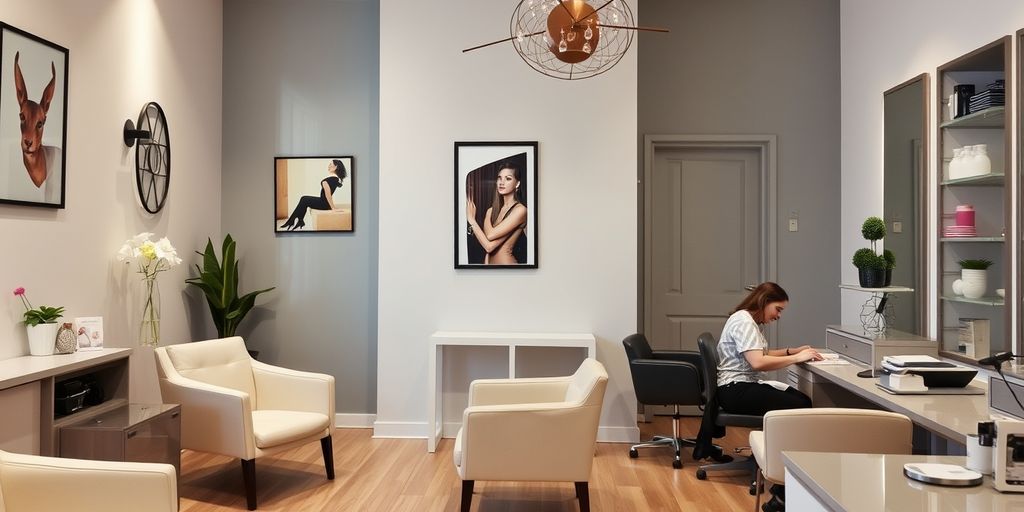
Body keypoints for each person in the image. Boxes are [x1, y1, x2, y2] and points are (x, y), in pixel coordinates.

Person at [715, 281, 821, 512]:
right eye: (778, 309)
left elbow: (760, 353)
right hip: (736, 390)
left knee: (799, 399)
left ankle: (779, 473)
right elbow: (758, 362)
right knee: (801, 405)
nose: (778, 316)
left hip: (737, 387)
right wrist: (796, 359)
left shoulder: (747, 320)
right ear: (764, 302)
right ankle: (781, 487)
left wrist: (791, 351)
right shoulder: (744, 322)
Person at [466, 164, 527, 264]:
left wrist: (472, 221)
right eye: (499, 178)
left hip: (508, 268)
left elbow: (490, 238)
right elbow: (488, 248)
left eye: (508, 178)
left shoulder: (520, 210)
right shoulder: (491, 211)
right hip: (491, 269)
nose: (501, 182)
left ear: (517, 184)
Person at [279, 159, 347, 230]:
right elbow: (336, 186)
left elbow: (328, 195)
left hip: (324, 204)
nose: (328, 166)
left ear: (335, 167)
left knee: (304, 199)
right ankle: (298, 220)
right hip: (325, 203)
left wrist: (333, 208)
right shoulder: (335, 179)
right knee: (304, 199)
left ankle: (294, 221)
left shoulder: (329, 180)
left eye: (330, 164)